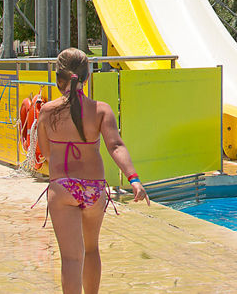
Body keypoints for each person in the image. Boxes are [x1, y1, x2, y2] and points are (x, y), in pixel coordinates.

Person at [35, 48, 149, 294]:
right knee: (91, 250)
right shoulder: (101, 110)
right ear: (87, 77)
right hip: (93, 188)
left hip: (63, 186)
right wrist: (134, 179)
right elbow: (115, 146)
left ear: (58, 79)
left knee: (71, 258)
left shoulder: (47, 111)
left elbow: (45, 153)